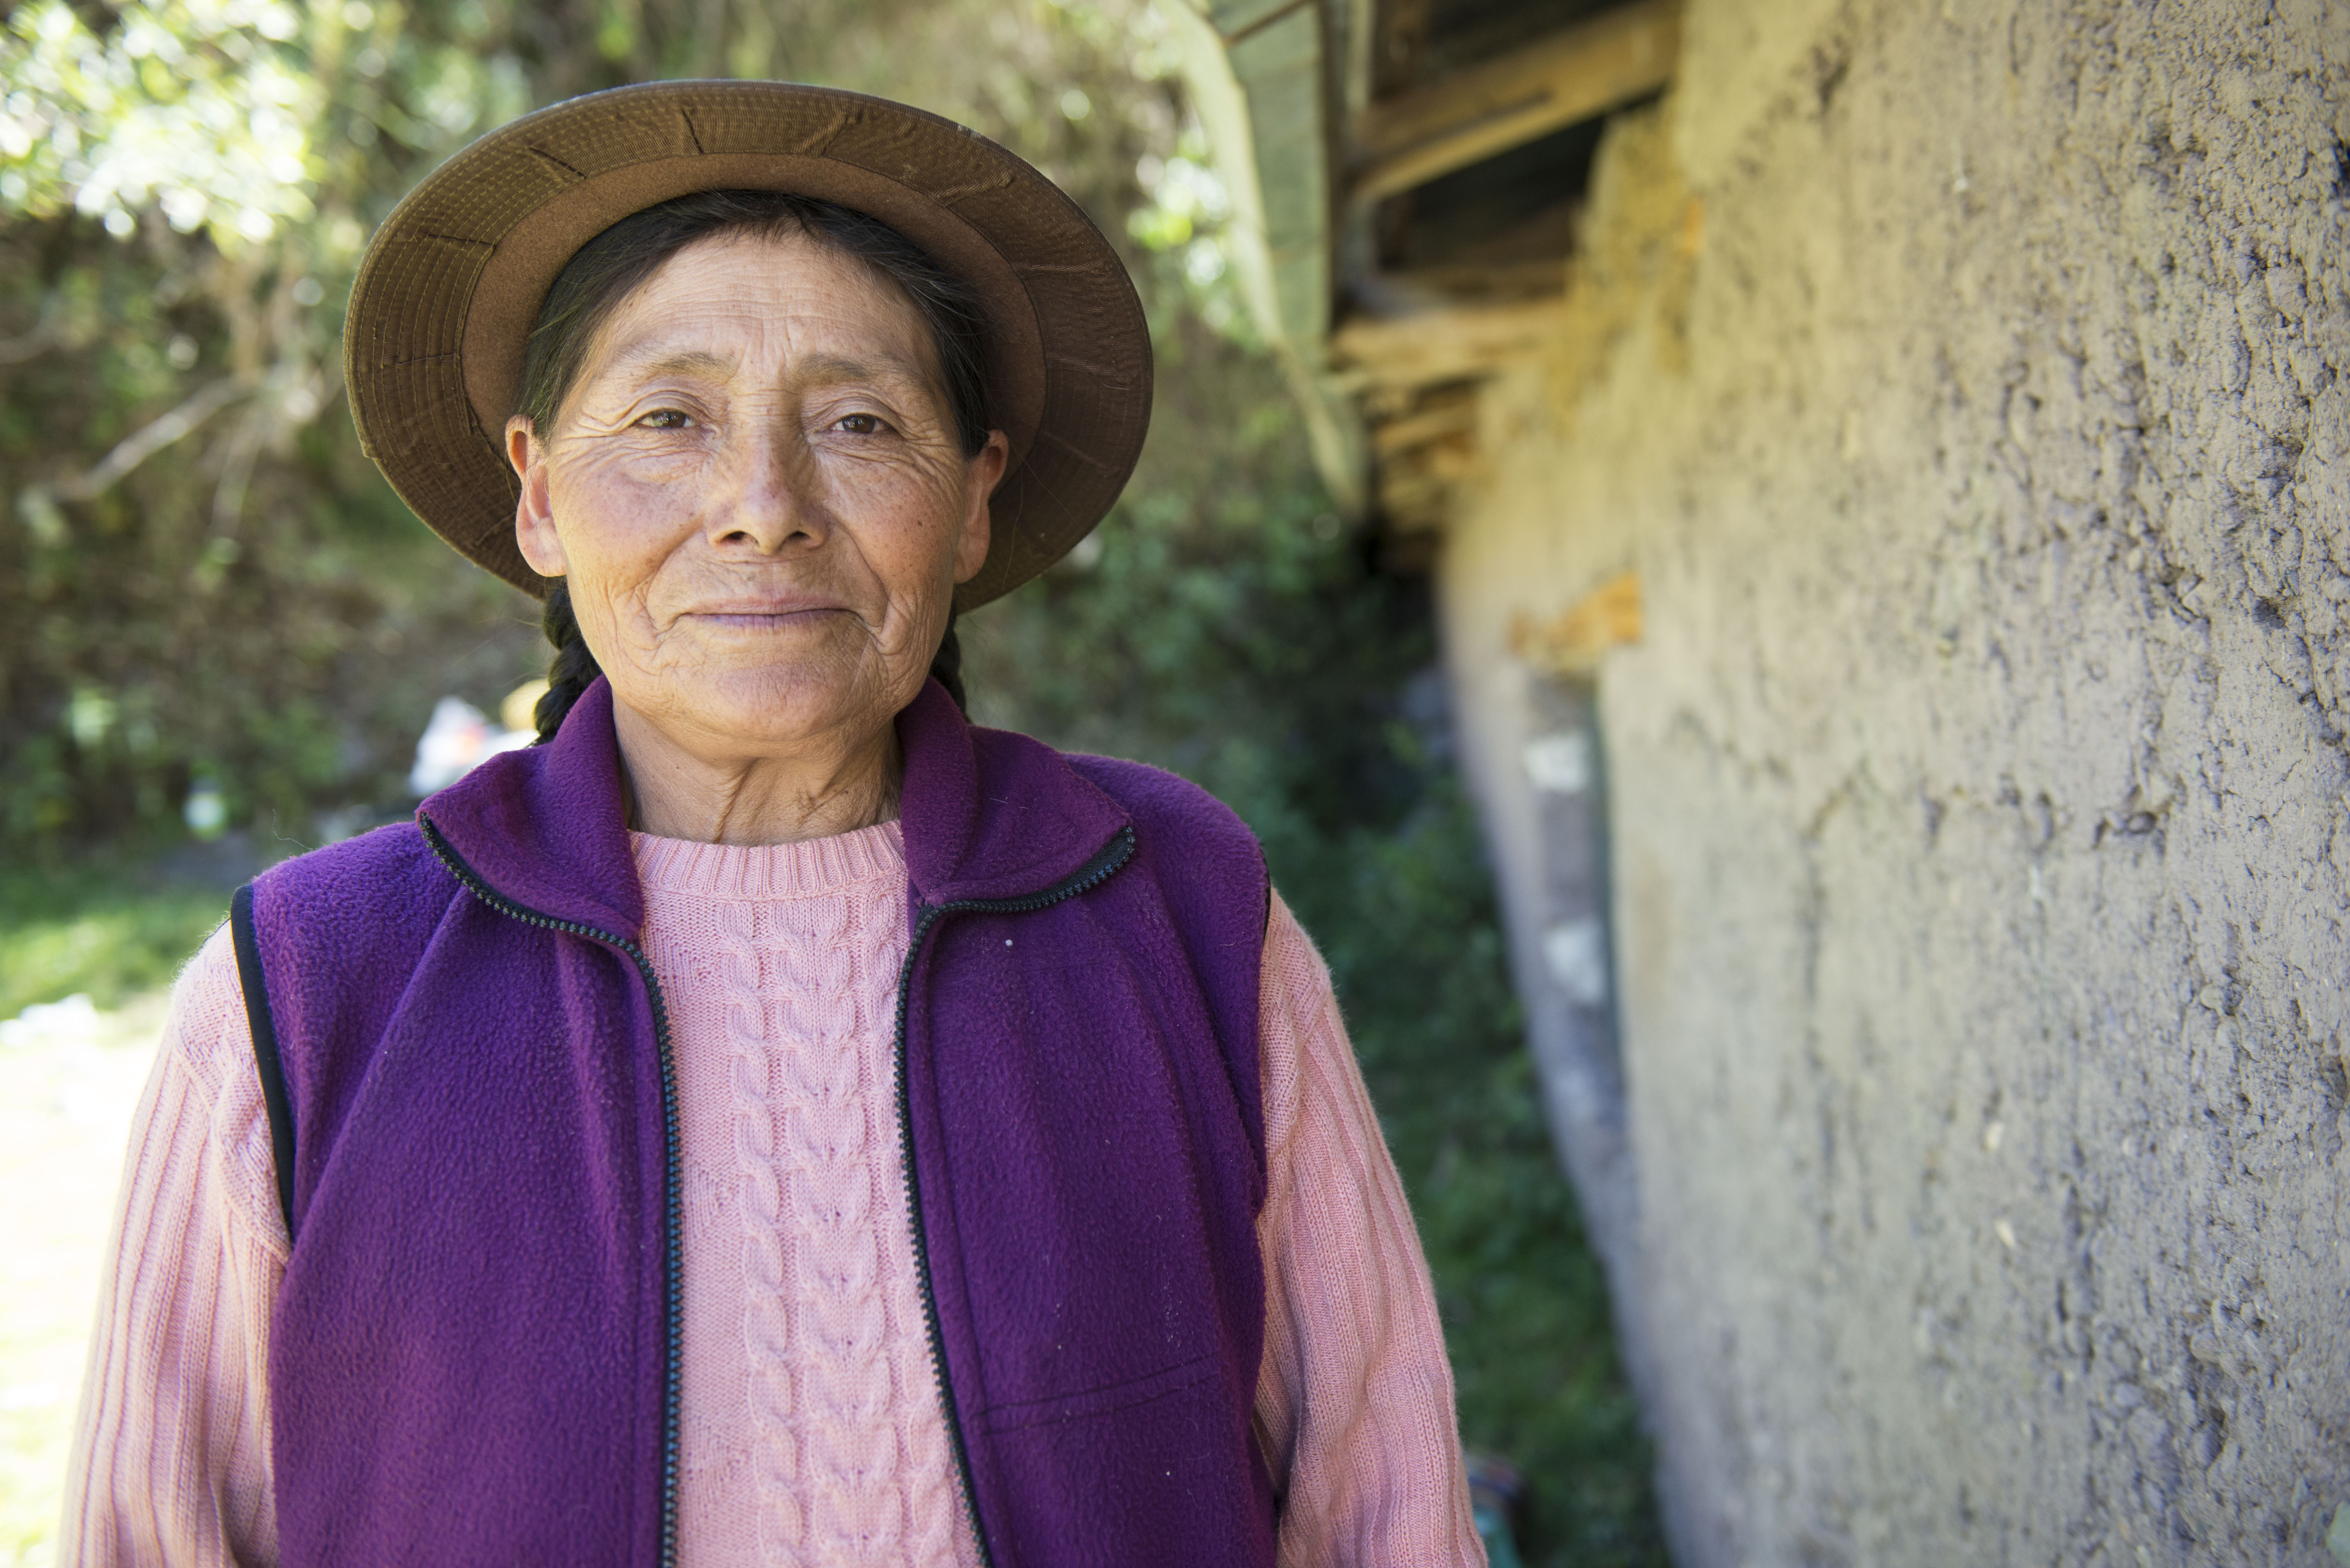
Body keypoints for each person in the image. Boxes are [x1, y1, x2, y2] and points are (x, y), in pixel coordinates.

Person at [62, 80, 1484, 1568]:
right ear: (541, 497)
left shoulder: (1178, 911)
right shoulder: (305, 986)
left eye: (859, 422)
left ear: (974, 498)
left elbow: (1381, 1496)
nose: (765, 506)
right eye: (670, 418)